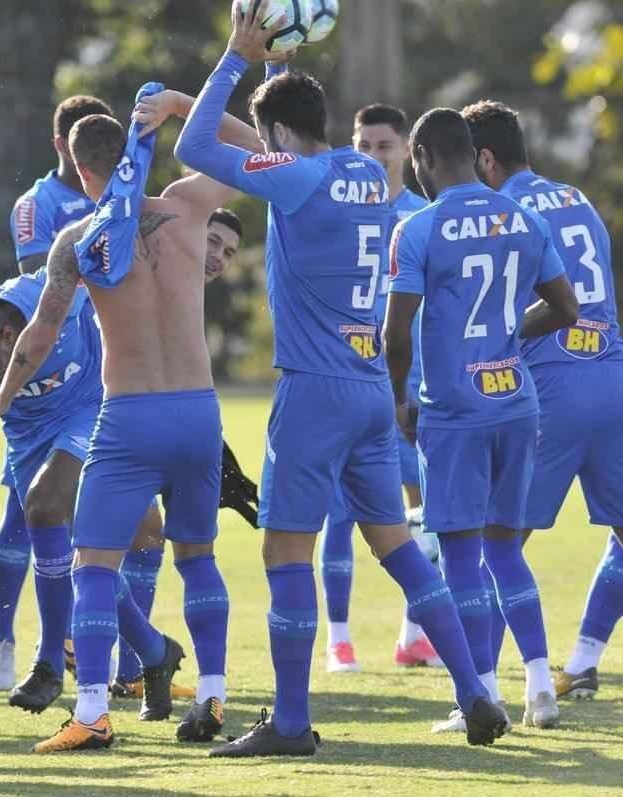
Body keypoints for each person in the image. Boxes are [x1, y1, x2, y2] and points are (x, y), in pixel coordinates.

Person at [173, 3, 510, 756]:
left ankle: (290, 723)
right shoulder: (363, 169)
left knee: (283, 553)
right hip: (366, 391)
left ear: (275, 143)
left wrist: (232, 54)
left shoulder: (295, 181)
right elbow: (279, 132)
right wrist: (273, 65)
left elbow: (195, 143)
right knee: (398, 547)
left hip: (314, 392)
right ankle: (474, 691)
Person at [0, 64, 256, 746]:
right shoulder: (190, 205)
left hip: (128, 418)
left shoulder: (78, 242)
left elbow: (38, 335)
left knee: (95, 563)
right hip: (198, 412)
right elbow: (264, 150)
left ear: (76, 163)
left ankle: (94, 711)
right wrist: (186, 105)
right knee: (197, 557)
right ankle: (212, 697)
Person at [384, 107, 579, 733]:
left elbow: (395, 335)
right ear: (474, 152)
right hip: (517, 403)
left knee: (462, 556)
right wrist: (508, 342)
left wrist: (398, 401)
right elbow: (567, 308)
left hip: (455, 411)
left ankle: (483, 695)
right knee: (507, 549)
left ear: (421, 156)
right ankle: (542, 684)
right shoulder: (525, 218)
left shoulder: (419, 227)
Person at [461, 99, 623, 702]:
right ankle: (581, 662)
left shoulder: (501, 210)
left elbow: (530, 305)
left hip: (551, 389)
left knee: (498, 545)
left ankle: (478, 694)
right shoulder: (576, 198)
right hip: (612, 377)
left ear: (484, 158)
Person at [0, 94, 113, 691]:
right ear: (60, 144)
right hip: (46, 383)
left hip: (100, 377)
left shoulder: (117, 195)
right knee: (24, 512)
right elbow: (46, 284)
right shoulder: (37, 205)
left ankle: (90, 649)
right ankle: (3, 641)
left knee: (104, 518)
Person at [320, 103, 439, 674]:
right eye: (362, 145)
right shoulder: (340, 214)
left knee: (428, 511)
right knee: (341, 512)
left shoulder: (424, 216)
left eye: (383, 146)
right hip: (351, 378)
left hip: (417, 386)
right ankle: (338, 638)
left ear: (406, 152)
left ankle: (414, 634)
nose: (371, 156)